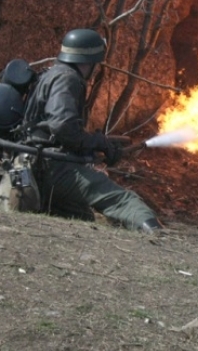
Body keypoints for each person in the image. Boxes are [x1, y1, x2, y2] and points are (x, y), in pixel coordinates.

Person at [21, 28, 162, 233]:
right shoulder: (67, 79)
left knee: (82, 217)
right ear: (89, 60)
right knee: (123, 199)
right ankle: (157, 235)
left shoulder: (50, 74)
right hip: (52, 168)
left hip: (34, 165)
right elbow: (62, 127)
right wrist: (97, 142)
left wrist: (97, 143)